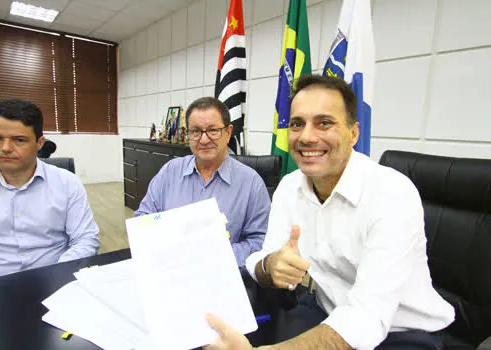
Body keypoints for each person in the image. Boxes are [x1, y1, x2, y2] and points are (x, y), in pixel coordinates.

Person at [204, 75, 454, 349]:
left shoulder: (392, 193)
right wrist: (271, 264)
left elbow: (365, 319)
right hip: (328, 314)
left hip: (403, 334)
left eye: (324, 123)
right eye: (297, 124)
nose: (307, 137)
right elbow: (260, 260)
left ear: (354, 133)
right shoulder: (289, 186)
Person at [0, 99, 99, 283]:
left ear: (39, 143)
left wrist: (60, 275)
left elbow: (86, 238)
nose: (5, 148)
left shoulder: (67, 183)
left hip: (53, 280)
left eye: (18, 140)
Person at [135, 97, 270, 270]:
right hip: (170, 270)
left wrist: (213, 255)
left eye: (213, 130)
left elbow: (260, 241)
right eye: (196, 131)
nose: (204, 140)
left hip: (223, 275)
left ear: (228, 133)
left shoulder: (251, 183)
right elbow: (143, 219)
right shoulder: (170, 172)